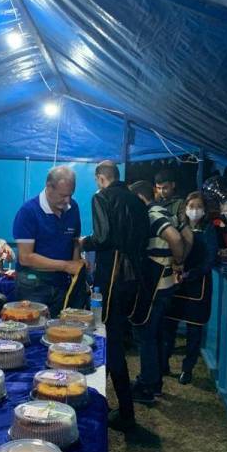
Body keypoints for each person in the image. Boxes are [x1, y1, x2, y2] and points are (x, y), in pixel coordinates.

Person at [80, 161, 149, 432]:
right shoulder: (137, 201)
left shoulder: (102, 197)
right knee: (115, 339)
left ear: (100, 178)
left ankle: (125, 410)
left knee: (109, 342)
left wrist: (84, 242)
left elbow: (103, 237)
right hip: (135, 278)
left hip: (112, 277)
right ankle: (104, 400)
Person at [129, 180, 192, 404]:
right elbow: (188, 235)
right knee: (154, 334)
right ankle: (153, 382)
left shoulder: (152, 214)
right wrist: (178, 262)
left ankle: (147, 386)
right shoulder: (167, 211)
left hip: (155, 284)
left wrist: (178, 259)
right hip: (166, 283)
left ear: (139, 198)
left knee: (145, 334)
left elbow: (175, 238)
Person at [12, 166, 84, 315]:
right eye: (63, 195)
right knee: (33, 324)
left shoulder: (73, 207)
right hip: (32, 284)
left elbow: (75, 241)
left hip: (61, 284)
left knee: (61, 325)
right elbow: (25, 258)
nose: (67, 200)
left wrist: (76, 264)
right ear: (49, 186)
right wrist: (66, 266)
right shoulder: (28, 212)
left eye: (70, 195)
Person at [163, 192, 218, 385]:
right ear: (185, 208)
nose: (194, 210)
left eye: (198, 206)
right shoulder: (178, 227)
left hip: (198, 286)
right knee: (168, 327)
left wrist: (191, 273)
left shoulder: (209, 230)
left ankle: (187, 369)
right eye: (191, 206)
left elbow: (210, 259)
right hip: (177, 284)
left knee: (194, 332)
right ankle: (164, 363)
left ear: (204, 210)